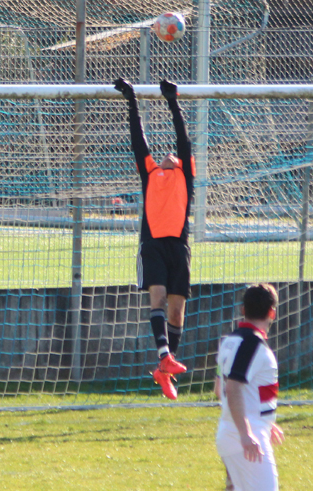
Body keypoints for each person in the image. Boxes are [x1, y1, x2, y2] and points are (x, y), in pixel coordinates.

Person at [113, 77, 196, 400]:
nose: (170, 155)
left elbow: (183, 137)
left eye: (175, 155)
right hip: (153, 245)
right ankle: (164, 357)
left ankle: (164, 370)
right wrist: (131, 98)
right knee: (157, 297)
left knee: (177, 312)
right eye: (167, 155)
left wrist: (172, 99)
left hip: (179, 245)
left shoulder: (185, 174)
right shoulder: (150, 173)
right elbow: (139, 139)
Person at [191, 284, 285, 491]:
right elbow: (232, 389)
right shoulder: (252, 344)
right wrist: (247, 432)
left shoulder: (230, 341)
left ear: (243, 310)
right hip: (246, 438)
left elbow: (219, 389)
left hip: (234, 432)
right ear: (272, 313)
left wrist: (264, 419)